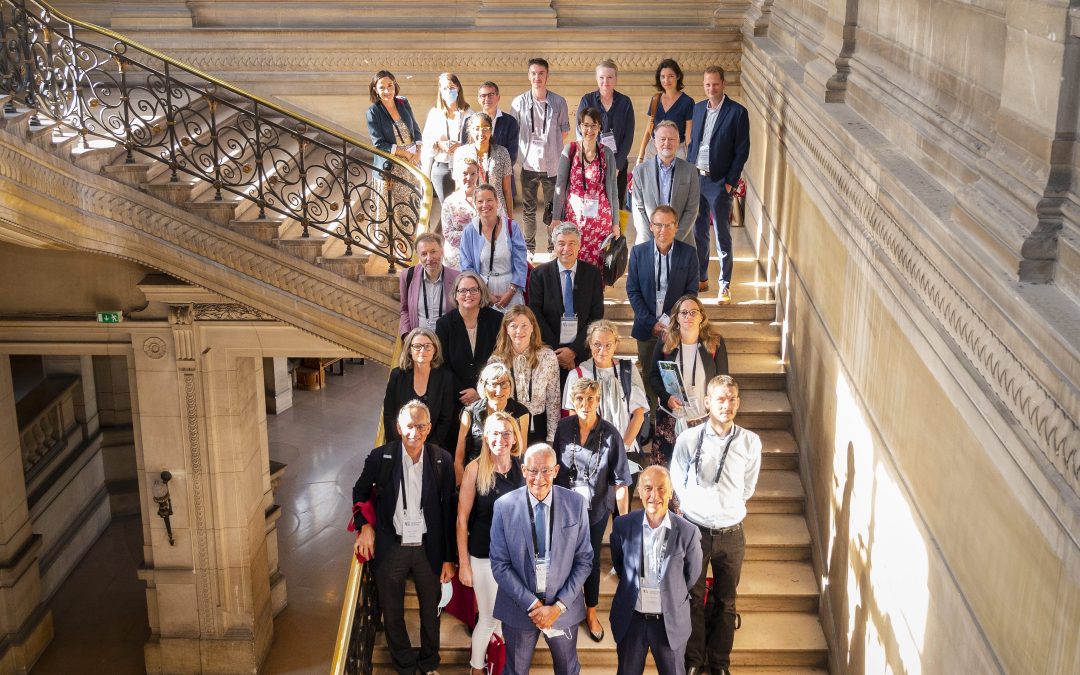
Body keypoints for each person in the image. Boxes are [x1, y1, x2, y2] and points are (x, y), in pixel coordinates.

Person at [351, 400, 456, 675]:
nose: (415, 432)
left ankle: (429, 663)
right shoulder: (380, 457)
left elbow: (447, 512)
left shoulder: (441, 459)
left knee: (430, 612)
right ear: (399, 428)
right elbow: (359, 492)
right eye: (410, 426)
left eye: (421, 426)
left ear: (429, 427)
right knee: (392, 611)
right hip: (392, 547)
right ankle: (405, 667)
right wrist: (365, 526)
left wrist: (448, 558)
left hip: (427, 549)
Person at [671, 375, 762, 675]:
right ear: (708, 402)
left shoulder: (750, 441)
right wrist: (696, 509)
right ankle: (695, 660)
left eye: (732, 398)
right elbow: (677, 481)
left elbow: (747, 487)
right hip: (696, 532)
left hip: (732, 533)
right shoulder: (689, 439)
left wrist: (726, 508)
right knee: (693, 598)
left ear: (738, 402)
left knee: (726, 601)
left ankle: (721, 663)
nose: (727, 405)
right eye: (720, 399)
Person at [489, 444, 593, 675]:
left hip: (562, 609)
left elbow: (584, 560)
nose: (539, 478)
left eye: (546, 470)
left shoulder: (576, 504)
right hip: (519, 609)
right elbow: (499, 564)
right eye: (533, 471)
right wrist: (534, 605)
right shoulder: (504, 507)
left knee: (567, 670)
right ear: (524, 470)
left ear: (556, 470)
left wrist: (558, 606)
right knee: (515, 671)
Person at [553, 377, 631, 642]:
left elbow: (620, 482)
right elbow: (554, 470)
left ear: (598, 401)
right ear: (572, 403)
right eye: (579, 399)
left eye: (590, 399)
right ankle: (561, 609)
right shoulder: (563, 427)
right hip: (564, 509)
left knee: (591, 560)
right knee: (562, 558)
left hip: (596, 510)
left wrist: (624, 522)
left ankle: (591, 611)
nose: (585, 404)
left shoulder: (611, 434)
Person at [609, 466, 703, 675]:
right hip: (632, 619)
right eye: (648, 488)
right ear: (640, 492)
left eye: (661, 489)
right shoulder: (623, 526)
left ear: (670, 493)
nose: (654, 495)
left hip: (669, 622)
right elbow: (620, 565)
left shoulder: (688, 532)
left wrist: (670, 589)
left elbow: (691, 576)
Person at [456, 411, 526, 675]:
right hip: (484, 555)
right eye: (495, 433)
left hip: (514, 557)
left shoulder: (522, 467)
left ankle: (497, 663)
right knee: (488, 618)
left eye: (506, 433)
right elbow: (462, 520)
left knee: (503, 619)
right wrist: (464, 563)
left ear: (514, 437)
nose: (501, 438)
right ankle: (476, 669)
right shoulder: (475, 469)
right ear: (486, 437)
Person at [626, 205, 700, 421]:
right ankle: (650, 422)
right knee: (648, 377)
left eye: (668, 225)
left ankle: (672, 419)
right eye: (658, 224)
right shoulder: (638, 253)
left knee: (672, 379)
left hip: (675, 331)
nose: (662, 230)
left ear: (676, 227)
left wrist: (669, 322)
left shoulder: (688, 254)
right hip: (646, 328)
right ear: (651, 226)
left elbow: (690, 292)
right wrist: (651, 322)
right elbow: (633, 290)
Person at [687, 65, 750, 302]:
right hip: (697, 178)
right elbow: (695, 142)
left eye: (715, 84)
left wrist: (729, 184)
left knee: (722, 235)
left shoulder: (737, 113)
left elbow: (741, 151)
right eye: (707, 84)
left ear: (724, 84)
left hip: (719, 182)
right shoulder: (698, 108)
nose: (711, 88)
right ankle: (702, 278)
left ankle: (725, 285)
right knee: (699, 232)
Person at [649, 294, 728, 467]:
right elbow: (653, 376)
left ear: (702, 316)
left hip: (704, 420)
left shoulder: (715, 343)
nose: (688, 316)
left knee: (699, 475)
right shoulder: (665, 341)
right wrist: (666, 397)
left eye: (693, 312)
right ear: (676, 317)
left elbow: (723, 382)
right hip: (670, 420)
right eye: (684, 313)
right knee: (668, 475)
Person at [527, 223, 605, 376]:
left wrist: (573, 350)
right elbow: (535, 313)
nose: (566, 249)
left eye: (572, 243)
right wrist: (559, 352)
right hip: (549, 352)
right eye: (561, 244)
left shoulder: (593, 274)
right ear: (554, 245)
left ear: (579, 246)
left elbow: (596, 316)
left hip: (582, 352)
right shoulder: (539, 274)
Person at [510, 57, 571, 254]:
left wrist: (549, 146)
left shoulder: (559, 102)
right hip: (528, 166)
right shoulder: (518, 102)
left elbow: (564, 132)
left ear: (547, 76)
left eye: (541, 73)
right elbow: (514, 131)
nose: (537, 77)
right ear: (529, 76)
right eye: (534, 73)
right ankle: (530, 249)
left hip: (552, 166)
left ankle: (553, 248)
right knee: (528, 210)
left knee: (552, 211)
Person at [562, 320, 648, 454]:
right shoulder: (577, 374)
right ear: (590, 343)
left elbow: (638, 414)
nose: (603, 350)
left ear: (616, 344)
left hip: (626, 450)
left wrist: (622, 449)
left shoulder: (628, 370)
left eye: (608, 345)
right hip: (591, 451)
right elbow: (574, 417)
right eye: (597, 344)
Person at [551, 107, 620, 269]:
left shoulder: (606, 153)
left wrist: (615, 223)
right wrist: (556, 217)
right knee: (574, 256)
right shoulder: (571, 150)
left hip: (600, 220)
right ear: (580, 127)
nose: (590, 130)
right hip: (575, 218)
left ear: (600, 127)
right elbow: (560, 185)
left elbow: (613, 190)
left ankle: (594, 292)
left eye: (594, 125)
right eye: (586, 125)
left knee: (598, 261)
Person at [489, 305, 561, 444]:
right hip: (507, 428)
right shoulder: (496, 361)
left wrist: (552, 438)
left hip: (538, 426)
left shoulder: (547, 357)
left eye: (524, 325)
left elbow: (554, 400)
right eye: (513, 326)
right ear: (506, 329)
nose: (519, 331)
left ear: (533, 327)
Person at [435, 271, 503, 408]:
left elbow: (501, 358)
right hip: (457, 397)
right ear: (455, 294)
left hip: (490, 394)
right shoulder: (444, 324)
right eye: (463, 290)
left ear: (481, 292)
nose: (468, 295)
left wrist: (481, 390)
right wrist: (464, 393)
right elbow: (443, 365)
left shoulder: (496, 320)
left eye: (474, 290)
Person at [454, 361, 530, 484]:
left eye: (504, 384)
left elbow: (521, 452)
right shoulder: (470, 412)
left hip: (508, 475)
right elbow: (459, 458)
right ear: (483, 386)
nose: (499, 390)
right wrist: (461, 484)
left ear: (511, 386)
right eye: (493, 385)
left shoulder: (521, 412)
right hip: (475, 474)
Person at [365, 70, 423, 231]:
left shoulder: (403, 102)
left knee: (414, 205)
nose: (387, 91)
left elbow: (415, 129)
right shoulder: (373, 112)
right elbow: (378, 143)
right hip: (392, 165)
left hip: (412, 162)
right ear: (375, 90)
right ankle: (399, 249)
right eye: (382, 87)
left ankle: (414, 243)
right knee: (396, 210)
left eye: (390, 85)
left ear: (395, 85)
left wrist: (418, 152)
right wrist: (404, 153)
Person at [383, 327, 457, 451]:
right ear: (409, 350)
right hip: (401, 445)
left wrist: (428, 448)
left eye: (428, 346)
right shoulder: (397, 375)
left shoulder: (445, 378)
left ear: (435, 349)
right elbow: (389, 414)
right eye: (417, 346)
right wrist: (399, 446)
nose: (422, 350)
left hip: (432, 447)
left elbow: (446, 418)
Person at [576, 59, 635, 208]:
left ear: (616, 79)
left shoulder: (625, 102)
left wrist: (617, 165)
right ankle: (595, 232)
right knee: (593, 205)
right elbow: (580, 131)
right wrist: (591, 161)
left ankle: (617, 232)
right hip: (592, 163)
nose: (605, 81)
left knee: (617, 206)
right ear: (597, 78)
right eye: (601, 77)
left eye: (610, 77)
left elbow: (628, 136)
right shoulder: (587, 100)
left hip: (618, 164)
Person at [460, 184, 528, 310]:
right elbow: (466, 266)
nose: (485, 205)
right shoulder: (469, 231)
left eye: (489, 200)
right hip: (482, 289)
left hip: (511, 287)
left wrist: (511, 291)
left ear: (497, 202)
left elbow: (521, 261)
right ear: (475, 204)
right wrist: (485, 293)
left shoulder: (511, 227)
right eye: (480, 201)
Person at [631, 121, 700, 246]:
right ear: (654, 142)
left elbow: (692, 209)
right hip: (648, 242)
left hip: (682, 242)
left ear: (678, 141)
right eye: (662, 139)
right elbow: (638, 209)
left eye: (671, 139)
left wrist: (673, 241)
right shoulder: (640, 171)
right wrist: (652, 242)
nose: (667, 143)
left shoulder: (691, 171)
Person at [461, 81, 521, 192]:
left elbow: (512, 154)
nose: (487, 98)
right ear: (478, 99)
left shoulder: (510, 122)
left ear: (498, 97)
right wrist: (479, 171)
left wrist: (493, 171)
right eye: (483, 95)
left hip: (502, 182)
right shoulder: (470, 122)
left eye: (491, 94)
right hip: (475, 180)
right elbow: (465, 150)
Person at [421, 72, 470, 205]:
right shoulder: (435, 113)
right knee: (447, 208)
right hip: (441, 167)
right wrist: (439, 144)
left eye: (452, 87)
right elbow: (426, 141)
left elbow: (474, 140)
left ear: (458, 88)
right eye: (445, 88)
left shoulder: (468, 113)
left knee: (463, 207)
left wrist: (460, 145)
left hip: (463, 167)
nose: (449, 91)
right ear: (440, 91)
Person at [399, 232, 460, 337]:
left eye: (433, 252)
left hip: (447, 342)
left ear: (442, 251)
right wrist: (406, 335)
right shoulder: (407, 275)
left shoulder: (457, 278)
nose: (429, 258)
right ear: (418, 255)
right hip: (420, 344)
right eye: (424, 254)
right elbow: (405, 309)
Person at [634, 58, 695, 162]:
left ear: (678, 76)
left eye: (671, 76)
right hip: (653, 150)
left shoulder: (687, 102)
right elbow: (648, 131)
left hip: (677, 151)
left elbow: (688, 136)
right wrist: (640, 157)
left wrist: (690, 160)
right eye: (663, 77)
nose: (666, 81)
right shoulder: (655, 99)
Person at [454, 113, 514, 217]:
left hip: (497, 211)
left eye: (485, 128)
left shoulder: (502, 152)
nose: (481, 133)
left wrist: (510, 221)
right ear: (470, 130)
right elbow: (459, 188)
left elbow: (507, 190)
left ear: (491, 130)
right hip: (471, 211)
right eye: (477, 128)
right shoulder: (460, 153)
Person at [439, 157, 479, 268]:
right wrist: (477, 235)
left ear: (478, 175)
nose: (469, 178)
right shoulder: (449, 202)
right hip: (456, 259)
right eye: (464, 173)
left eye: (473, 174)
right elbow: (448, 234)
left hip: (482, 256)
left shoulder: (487, 198)